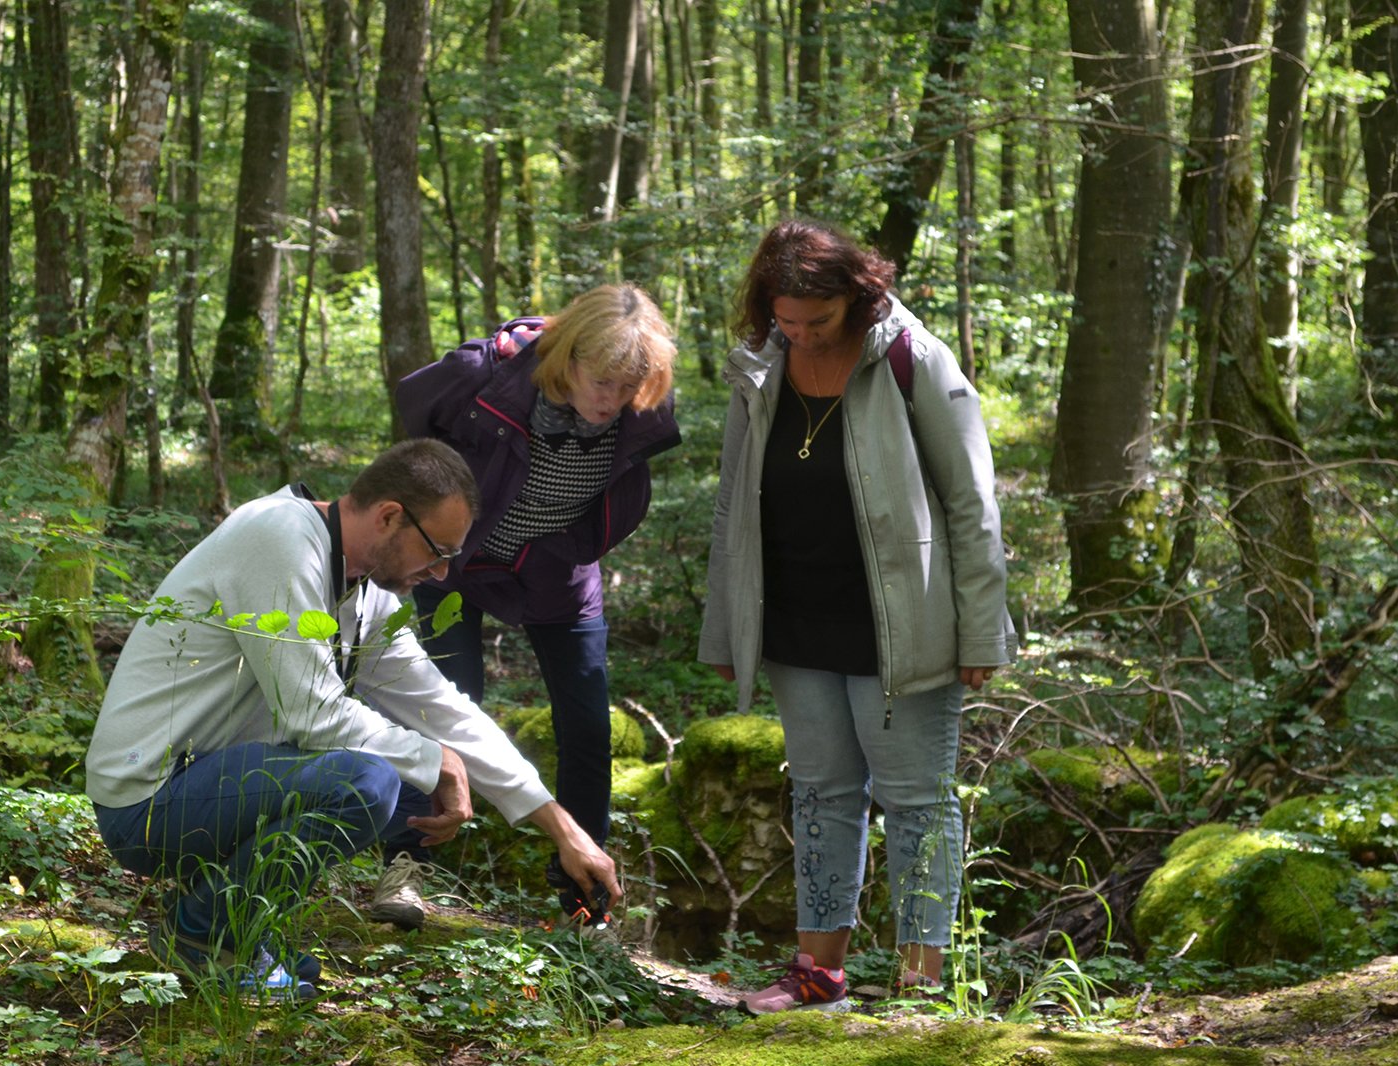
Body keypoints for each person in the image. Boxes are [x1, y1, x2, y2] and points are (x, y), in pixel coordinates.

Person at [85, 439, 624, 997]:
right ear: (390, 515)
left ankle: (226, 920)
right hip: (147, 801)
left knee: (378, 779)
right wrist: (432, 760)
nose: (440, 573)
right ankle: (205, 933)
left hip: (207, 783)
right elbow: (312, 713)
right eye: (437, 551)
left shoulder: (364, 593)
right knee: (367, 784)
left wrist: (563, 829)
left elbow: (441, 708)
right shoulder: (278, 537)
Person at [698, 219, 1016, 1013]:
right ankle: (818, 977)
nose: (801, 337)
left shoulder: (915, 360)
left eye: (818, 322)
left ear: (857, 298)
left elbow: (972, 505)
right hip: (796, 619)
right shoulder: (761, 368)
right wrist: (726, 629)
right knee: (819, 793)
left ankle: (920, 986)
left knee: (917, 800)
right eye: (786, 322)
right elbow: (734, 504)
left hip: (901, 624)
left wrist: (982, 630)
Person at [384, 282, 679, 932]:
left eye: (626, 386)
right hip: (451, 562)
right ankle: (405, 869)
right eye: (600, 380)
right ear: (566, 357)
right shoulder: (483, 375)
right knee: (441, 703)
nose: (611, 401)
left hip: (555, 570)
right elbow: (413, 418)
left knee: (586, 723)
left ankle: (583, 899)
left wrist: (572, 545)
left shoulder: (642, 409)